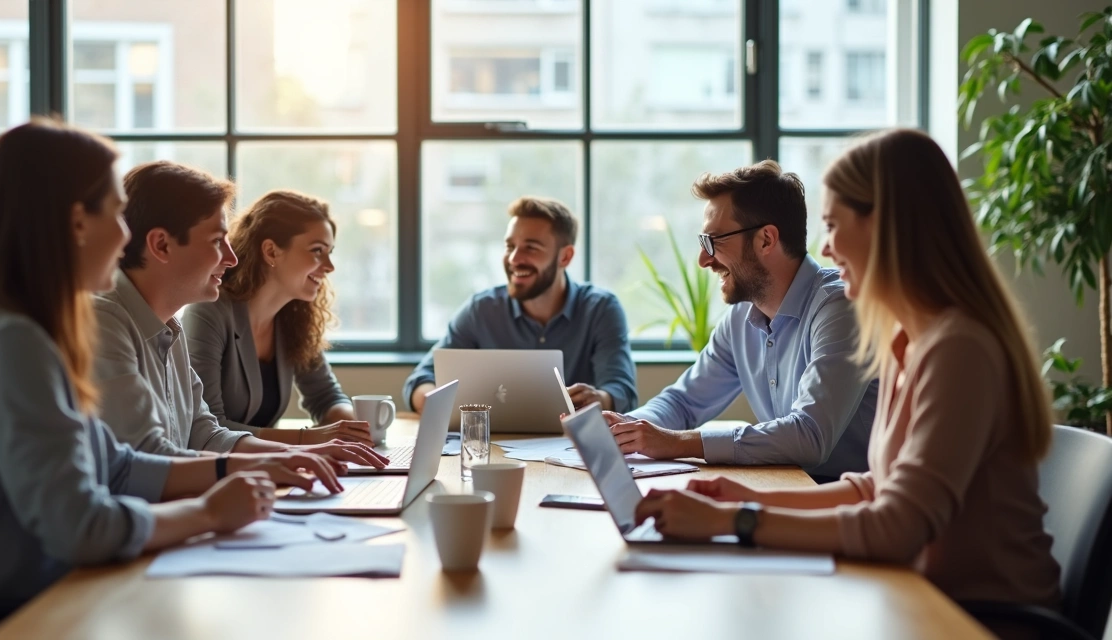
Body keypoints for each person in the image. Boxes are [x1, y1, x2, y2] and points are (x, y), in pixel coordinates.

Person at [0, 119, 338, 615]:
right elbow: (81, 526)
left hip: (49, 597)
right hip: (11, 616)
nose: (126, 235)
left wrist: (244, 466)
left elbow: (120, 465)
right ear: (77, 223)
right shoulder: (12, 343)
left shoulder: (32, 331)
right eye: (119, 214)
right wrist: (209, 511)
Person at [635, 129, 1061, 611]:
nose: (829, 250)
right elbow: (873, 487)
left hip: (982, 619)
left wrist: (735, 520)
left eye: (835, 227)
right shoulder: (910, 341)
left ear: (886, 228)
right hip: (918, 599)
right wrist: (738, 500)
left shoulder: (959, 348)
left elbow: (896, 527)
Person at [92, 161, 386, 469]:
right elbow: (146, 462)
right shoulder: (104, 321)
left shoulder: (168, 326)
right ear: (161, 245)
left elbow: (204, 433)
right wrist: (277, 459)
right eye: (217, 241)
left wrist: (304, 455)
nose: (231, 259)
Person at [605, 160, 877, 482]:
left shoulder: (841, 308)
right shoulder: (741, 318)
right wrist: (624, 429)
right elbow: (684, 402)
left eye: (714, 242)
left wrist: (675, 442)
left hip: (853, 509)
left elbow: (809, 435)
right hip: (790, 491)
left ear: (766, 240)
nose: (703, 260)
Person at [404, 196, 638, 414]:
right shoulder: (482, 310)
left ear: (565, 257)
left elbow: (622, 391)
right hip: (492, 448)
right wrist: (430, 399)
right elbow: (421, 378)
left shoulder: (600, 309)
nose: (514, 258)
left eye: (531, 247)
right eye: (510, 246)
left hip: (571, 451)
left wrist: (599, 399)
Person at [184, 189, 369, 446]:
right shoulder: (208, 313)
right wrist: (307, 439)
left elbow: (326, 397)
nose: (329, 266)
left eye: (330, 252)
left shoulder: (293, 318)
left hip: (269, 471)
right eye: (317, 251)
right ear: (271, 251)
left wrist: (353, 430)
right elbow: (209, 427)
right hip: (220, 475)